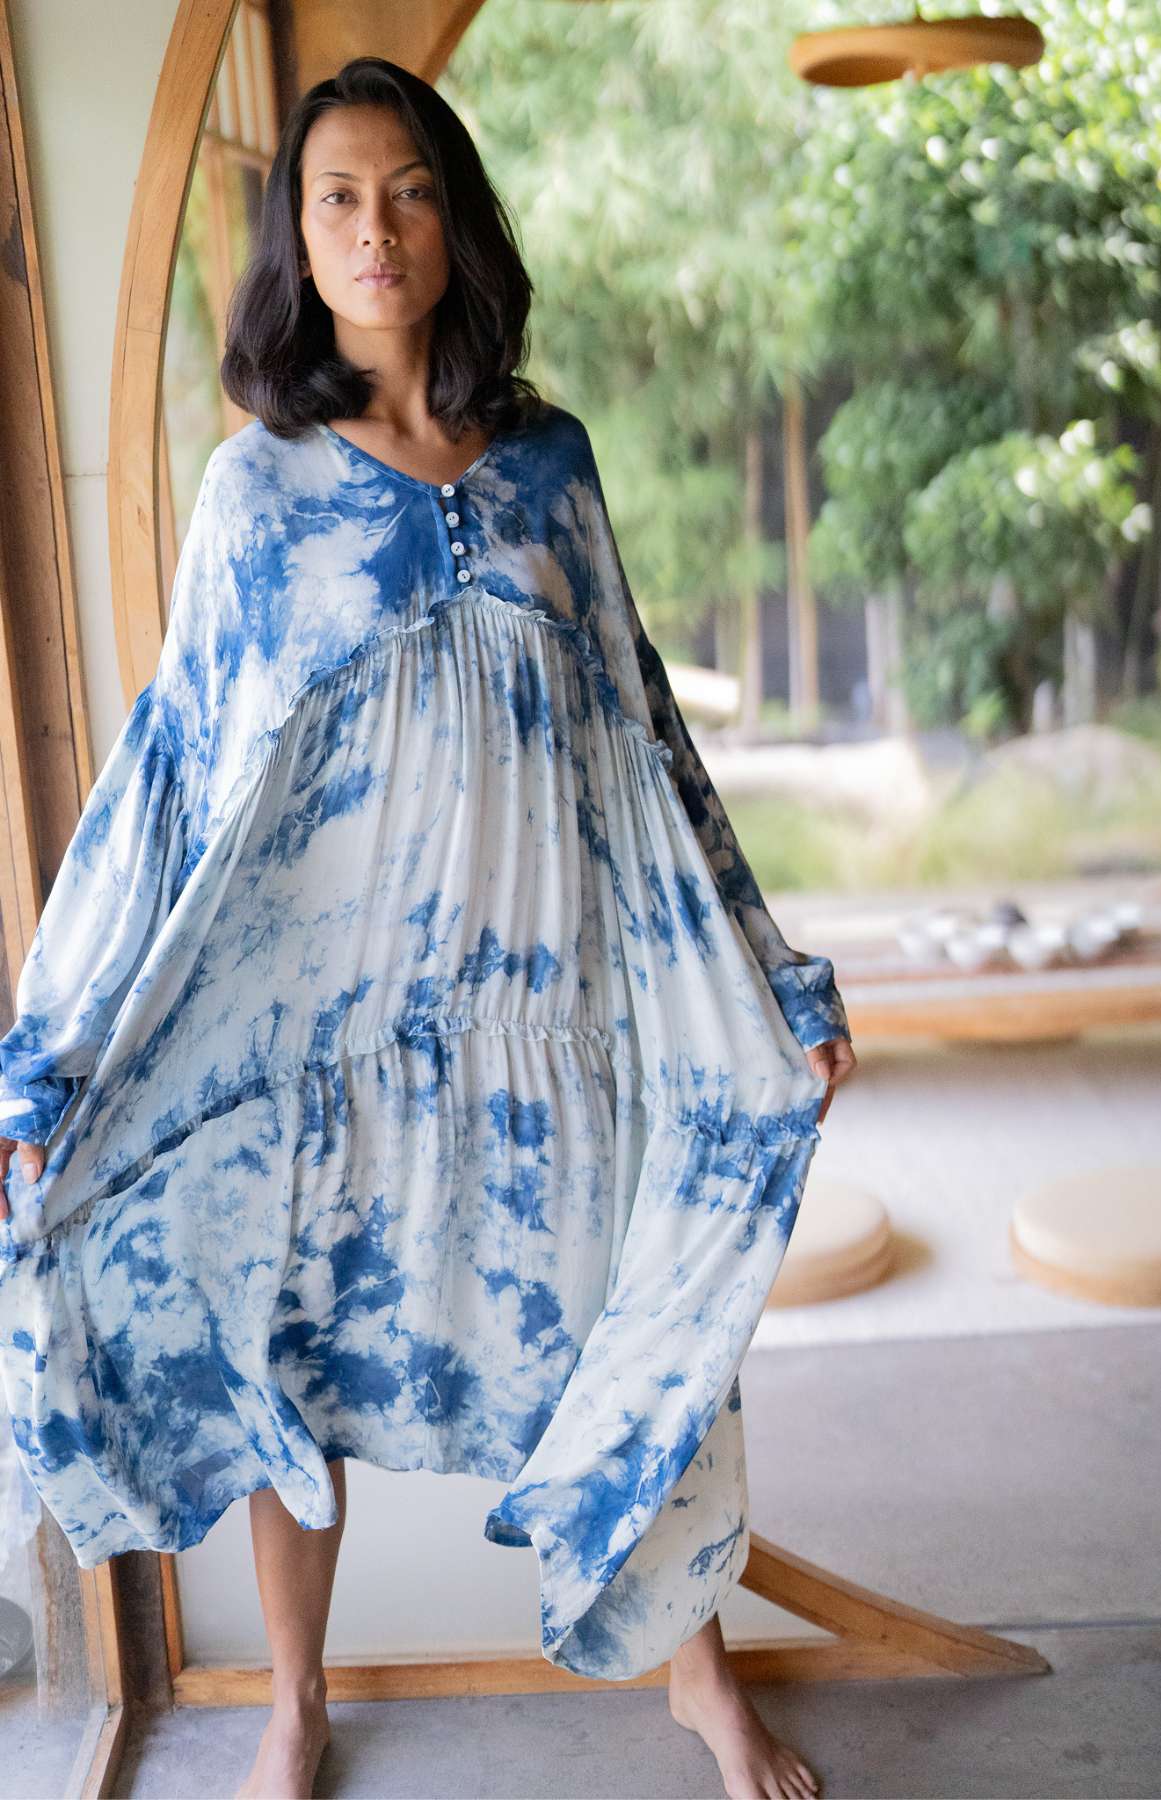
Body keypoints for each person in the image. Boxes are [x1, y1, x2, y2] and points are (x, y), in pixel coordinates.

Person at [0, 56, 856, 1800]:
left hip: (545, 1028)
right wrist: (59, 1047)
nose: (375, 230)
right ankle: (296, 1705)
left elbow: (645, 737)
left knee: (619, 1331)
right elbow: (177, 776)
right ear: (296, 243)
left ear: (452, 219)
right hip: (327, 1037)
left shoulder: (551, 468)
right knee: (293, 1371)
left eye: (405, 192)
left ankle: (696, 1679)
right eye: (336, 199)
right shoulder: (256, 490)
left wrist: (770, 977)